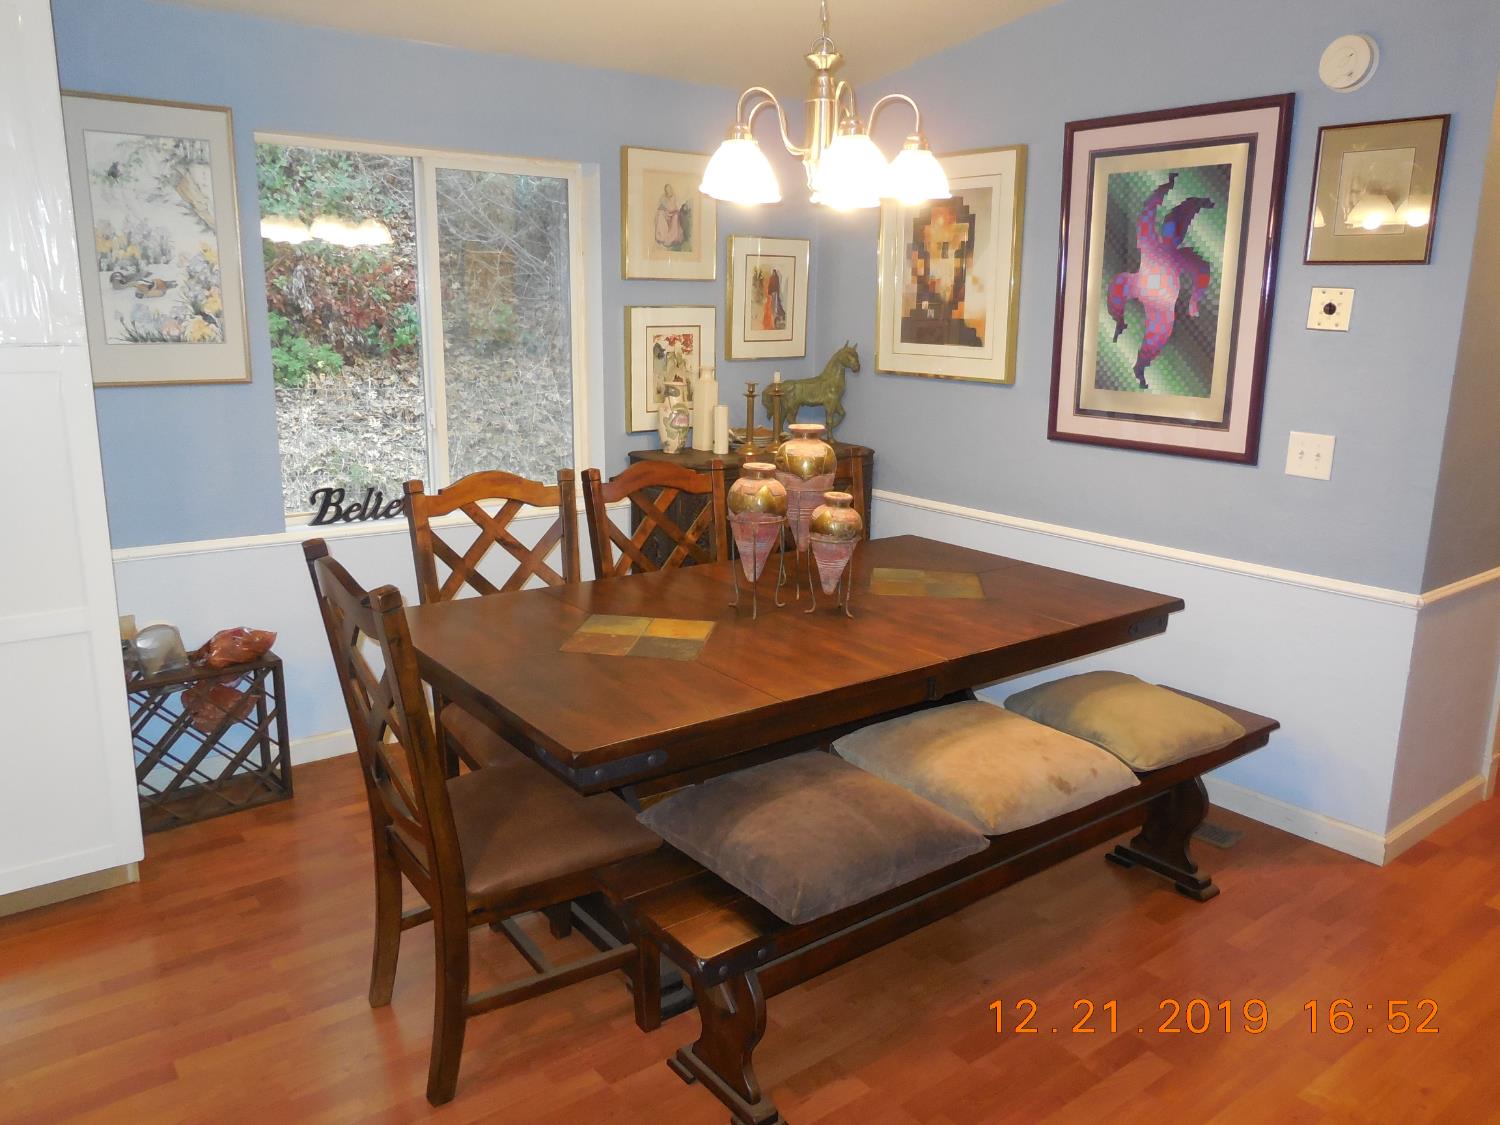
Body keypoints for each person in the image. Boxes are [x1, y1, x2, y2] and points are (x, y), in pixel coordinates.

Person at [654, 183, 688, 251]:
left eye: (669, 189)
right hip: (666, 213)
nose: (668, 190)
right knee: (660, 214)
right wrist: (665, 211)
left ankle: (672, 238)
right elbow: (661, 207)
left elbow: (677, 207)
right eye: (667, 189)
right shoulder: (663, 197)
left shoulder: (675, 197)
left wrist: (673, 211)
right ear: (665, 190)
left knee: (675, 217)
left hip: (673, 213)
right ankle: (663, 237)